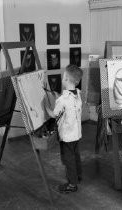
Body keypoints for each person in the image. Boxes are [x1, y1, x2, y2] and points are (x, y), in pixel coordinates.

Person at [46, 64, 83, 193]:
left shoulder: (62, 100)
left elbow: (53, 114)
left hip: (67, 136)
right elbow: (68, 106)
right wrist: (58, 98)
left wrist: (46, 107)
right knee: (75, 155)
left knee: (68, 159)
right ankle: (78, 176)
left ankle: (72, 184)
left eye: (63, 77)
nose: (62, 79)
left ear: (66, 78)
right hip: (76, 134)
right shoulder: (78, 94)